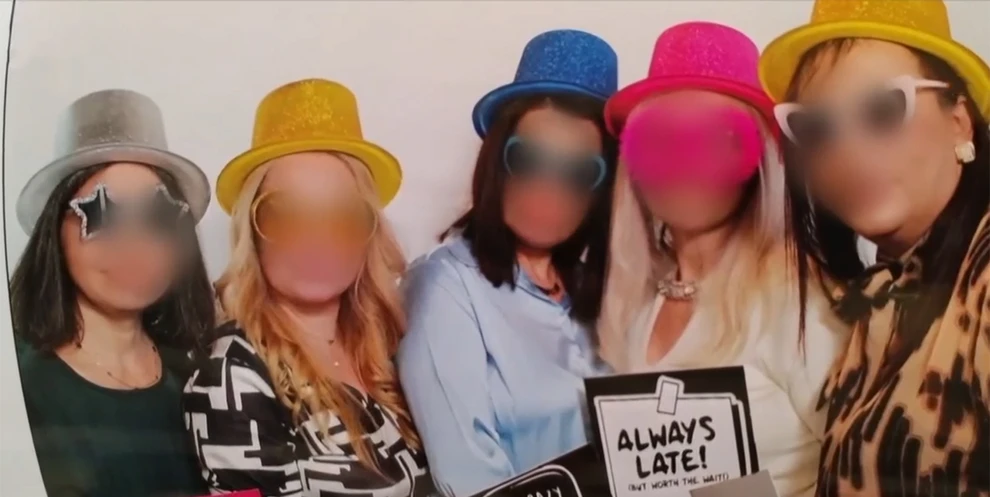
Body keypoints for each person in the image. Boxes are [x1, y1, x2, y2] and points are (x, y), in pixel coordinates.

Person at [596, 23, 850, 497]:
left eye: (717, 140)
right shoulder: (639, 301)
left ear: (759, 164)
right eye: (660, 139)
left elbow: (865, 472)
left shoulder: (800, 302)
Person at [759, 0, 990, 495]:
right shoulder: (883, 294)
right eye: (816, 127)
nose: (846, 149)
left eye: (883, 109)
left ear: (959, 122)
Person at [183, 78, 432, 497]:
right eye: (285, 215)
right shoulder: (230, 376)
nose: (318, 239)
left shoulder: (390, 345)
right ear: (252, 235)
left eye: (344, 216)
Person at [396, 29, 618, 496]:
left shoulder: (610, 291)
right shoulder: (445, 286)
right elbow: (468, 477)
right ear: (497, 161)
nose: (549, 188)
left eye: (578, 172)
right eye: (530, 160)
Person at [10, 89, 215, 497]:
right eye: (102, 213)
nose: (133, 245)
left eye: (157, 216)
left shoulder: (205, 377)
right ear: (54, 231)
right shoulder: (16, 386)